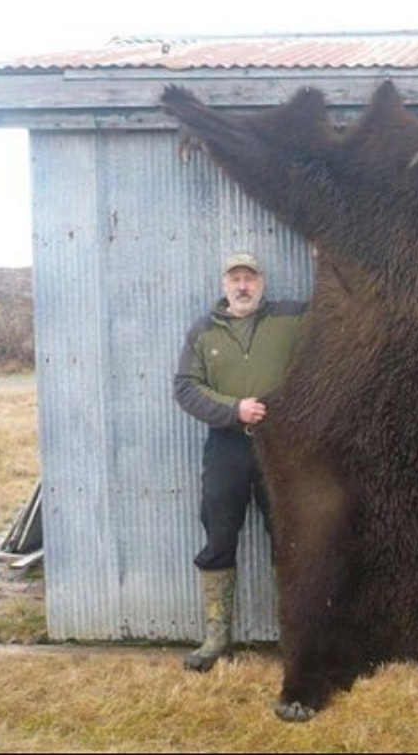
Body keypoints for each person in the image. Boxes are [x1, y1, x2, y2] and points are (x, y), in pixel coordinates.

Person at [173, 251, 308, 672]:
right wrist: (234, 409)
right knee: (218, 538)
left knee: (289, 542)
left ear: (262, 283)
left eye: (250, 278)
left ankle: (297, 638)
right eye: (236, 279)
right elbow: (185, 387)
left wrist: (327, 257)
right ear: (224, 284)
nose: (243, 286)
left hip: (280, 448)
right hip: (227, 447)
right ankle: (216, 639)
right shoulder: (203, 332)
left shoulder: (291, 317)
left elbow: (333, 317)